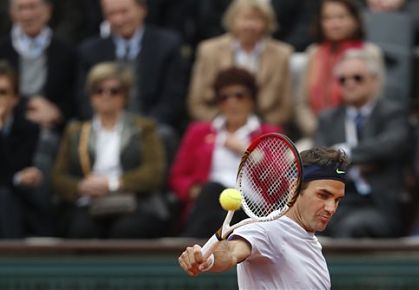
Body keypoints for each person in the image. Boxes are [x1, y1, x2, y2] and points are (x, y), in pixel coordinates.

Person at [178, 146, 349, 289]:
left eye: (337, 200)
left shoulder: (312, 244)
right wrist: (209, 260)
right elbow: (231, 251)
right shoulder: (267, 229)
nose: (331, 208)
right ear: (294, 188)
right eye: (323, 195)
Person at [52, 62, 169, 238]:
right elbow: (58, 177)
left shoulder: (144, 128)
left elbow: (154, 173)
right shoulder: (75, 131)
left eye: (114, 91)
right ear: (91, 96)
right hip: (89, 204)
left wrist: (112, 184)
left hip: (134, 203)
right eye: (99, 90)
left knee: (127, 230)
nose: (106, 96)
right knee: (81, 229)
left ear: (125, 96)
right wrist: (81, 186)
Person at [169, 67, 281, 237]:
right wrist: (195, 191)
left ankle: (192, 249)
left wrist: (248, 151)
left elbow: (280, 184)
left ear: (252, 100)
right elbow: (178, 176)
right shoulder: (198, 132)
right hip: (208, 203)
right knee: (212, 192)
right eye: (224, 97)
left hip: (251, 212)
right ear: (218, 103)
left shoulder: (269, 134)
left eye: (239, 96)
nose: (232, 102)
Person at [315, 48, 411, 237]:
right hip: (337, 201)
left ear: (374, 80)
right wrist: (364, 159)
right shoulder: (329, 119)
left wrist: (346, 153)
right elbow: (321, 160)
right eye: (343, 80)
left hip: (379, 204)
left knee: (352, 227)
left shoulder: (392, 113)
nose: (349, 84)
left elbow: (392, 145)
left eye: (357, 78)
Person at [76, 0, 187, 133]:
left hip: (152, 127)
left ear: (142, 10)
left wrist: (144, 128)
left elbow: (172, 99)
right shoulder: (90, 51)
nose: (118, 20)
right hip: (103, 127)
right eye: (111, 13)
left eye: (124, 12)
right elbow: (84, 97)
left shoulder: (167, 46)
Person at [187, 0, 293, 128]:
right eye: (245, 18)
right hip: (215, 125)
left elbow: (285, 107)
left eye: (257, 19)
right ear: (232, 20)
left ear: (267, 23)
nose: (250, 25)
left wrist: (256, 126)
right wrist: (223, 125)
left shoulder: (282, 54)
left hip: (263, 128)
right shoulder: (209, 50)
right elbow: (196, 103)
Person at [295, 0, 383, 139]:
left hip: (362, 136)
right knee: (292, 159)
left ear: (355, 20)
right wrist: (318, 131)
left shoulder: (370, 52)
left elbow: (376, 98)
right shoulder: (313, 53)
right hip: (317, 137)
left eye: (341, 17)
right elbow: (302, 104)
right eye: (327, 18)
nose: (334, 24)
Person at [0, 60, 49, 238]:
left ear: (15, 99)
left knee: (3, 197)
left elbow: (14, 166)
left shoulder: (28, 129)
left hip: (16, 199)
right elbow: (16, 175)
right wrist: (17, 178)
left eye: (2, 92)